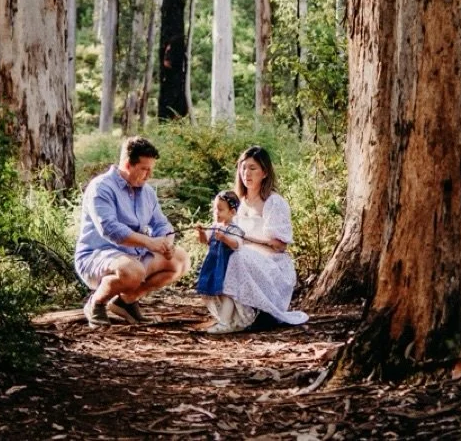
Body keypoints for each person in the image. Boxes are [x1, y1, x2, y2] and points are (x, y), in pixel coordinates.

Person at [74, 135, 189, 327]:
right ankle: (96, 303)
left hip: (134, 257)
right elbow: (110, 229)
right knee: (133, 271)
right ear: (128, 165)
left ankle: (126, 301)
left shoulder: (147, 192)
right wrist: (150, 242)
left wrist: (166, 243)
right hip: (97, 256)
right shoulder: (101, 187)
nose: (149, 175)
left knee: (180, 260)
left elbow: (162, 224)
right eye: (144, 169)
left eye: (151, 169)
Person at [198, 145, 308, 334]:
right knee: (221, 256)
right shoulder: (236, 203)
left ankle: (243, 317)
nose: (246, 173)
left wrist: (244, 238)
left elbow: (279, 246)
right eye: (243, 168)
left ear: (264, 173)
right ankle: (231, 317)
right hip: (241, 257)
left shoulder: (274, 202)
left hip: (271, 264)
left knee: (237, 257)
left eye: (252, 168)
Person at [194, 189, 245, 307]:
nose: (216, 213)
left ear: (232, 212)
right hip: (212, 264)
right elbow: (204, 241)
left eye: (220, 210)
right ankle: (218, 311)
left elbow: (237, 244)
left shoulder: (234, 229)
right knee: (212, 288)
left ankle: (227, 311)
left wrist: (224, 238)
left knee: (225, 290)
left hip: (226, 266)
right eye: (215, 209)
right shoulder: (215, 227)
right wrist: (201, 233)